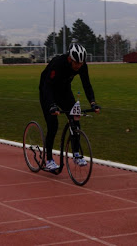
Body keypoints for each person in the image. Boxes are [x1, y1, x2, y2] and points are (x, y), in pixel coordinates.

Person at [39, 43, 100, 171]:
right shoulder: (58, 63)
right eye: (76, 63)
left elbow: (86, 84)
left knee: (75, 117)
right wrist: (51, 105)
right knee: (53, 125)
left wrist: (93, 103)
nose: (78, 66)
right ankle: (49, 160)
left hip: (64, 91)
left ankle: (76, 154)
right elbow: (47, 86)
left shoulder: (82, 65)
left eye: (81, 63)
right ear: (70, 59)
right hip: (47, 90)